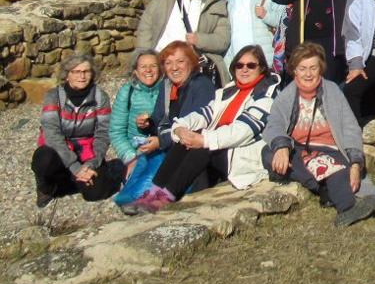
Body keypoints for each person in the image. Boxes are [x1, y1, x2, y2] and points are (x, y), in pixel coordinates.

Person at [124, 46, 282, 213]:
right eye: (239, 65)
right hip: (223, 149)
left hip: (243, 156)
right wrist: (180, 128)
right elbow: (204, 114)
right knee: (188, 139)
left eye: (251, 65)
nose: (244, 69)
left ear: (262, 68)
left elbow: (242, 131)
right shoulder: (229, 91)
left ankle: (166, 197)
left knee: (201, 145)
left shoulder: (265, 97)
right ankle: (154, 192)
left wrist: (204, 140)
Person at [262, 42, 375, 227]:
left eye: (313, 68)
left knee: (335, 167)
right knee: (268, 154)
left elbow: (350, 127)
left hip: (331, 150)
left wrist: (356, 163)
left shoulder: (332, 90)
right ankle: (324, 187)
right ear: (294, 70)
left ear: (321, 69)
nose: (308, 74)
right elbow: (274, 124)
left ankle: (346, 208)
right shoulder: (286, 95)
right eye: (302, 68)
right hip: (300, 150)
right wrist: (282, 146)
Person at [134, 0, 229, 87]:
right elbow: (146, 26)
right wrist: (145, 57)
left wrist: (199, 40)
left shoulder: (216, 2)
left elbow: (223, 40)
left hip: (191, 69)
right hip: (160, 66)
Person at [32, 55, 116, 207]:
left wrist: (91, 164)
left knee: (97, 193)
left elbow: (104, 133)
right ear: (67, 74)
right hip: (59, 149)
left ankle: (74, 181)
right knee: (43, 159)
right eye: (76, 71)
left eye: (86, 71)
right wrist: (75, 167)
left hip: (87, 150)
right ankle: (46, 186)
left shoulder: (100, 97)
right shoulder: (53, 96)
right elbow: (52, 134)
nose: (81, 76)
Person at [110, 50, 163, 207]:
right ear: (135, 71)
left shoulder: (168, 90)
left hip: (162, 147)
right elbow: (116, 131)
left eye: (153, 66)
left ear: (160, 69)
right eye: (143, 66)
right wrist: (130, 158)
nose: (148, 70)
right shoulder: (127, 92)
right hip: (136, 151)